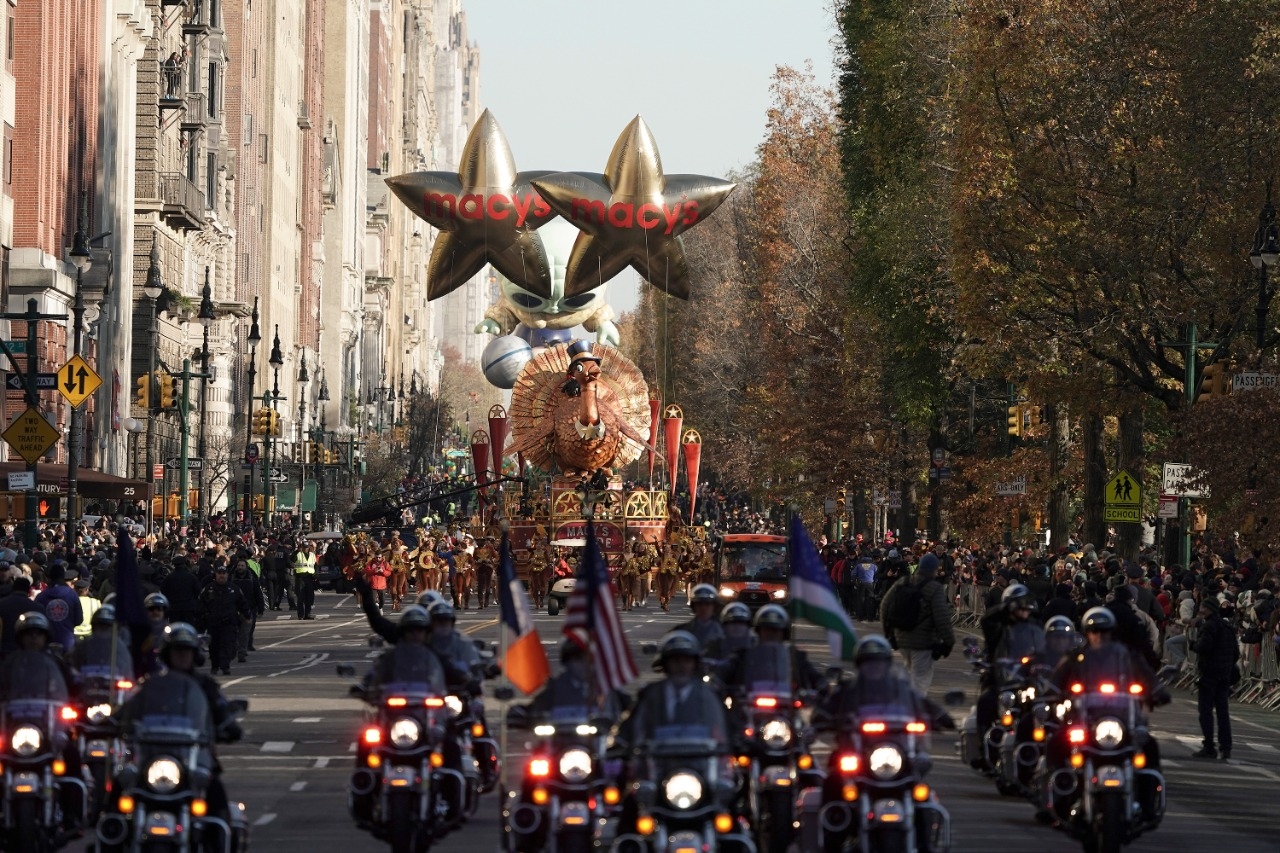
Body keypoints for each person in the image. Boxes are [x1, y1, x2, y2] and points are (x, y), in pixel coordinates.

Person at [119, 623, 243, 821]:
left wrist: (229, 726)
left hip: (192, 759)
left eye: (187, 650)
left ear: (195, 654)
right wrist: (116, 720)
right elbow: (128, 710)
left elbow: (221, 710)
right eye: (177, 650)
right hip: (152, 756)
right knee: (121, 784)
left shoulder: (205, 686)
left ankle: (219, 837)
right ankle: (108, 832)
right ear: (168, 653)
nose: (182, 655)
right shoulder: (150, 684)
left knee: (216, 794)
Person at [881, 551, 954, 694]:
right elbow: (942, 617)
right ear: (934, 569)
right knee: (920, 680)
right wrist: (948, 642)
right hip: (923, 641)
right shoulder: (934, 588)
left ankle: (905, 705)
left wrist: (889, 633)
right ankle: (914, 710)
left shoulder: (904, 582)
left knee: (909, 674)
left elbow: (885, 606)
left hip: (901, 637)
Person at [1190, 597, 1237, 759]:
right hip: (1224, 673)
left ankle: (1209, 745)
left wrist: (1193, 645)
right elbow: (1235, 651)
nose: (1201, 610)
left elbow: (1204, 647)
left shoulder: (1209, 626)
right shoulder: (1227, 626)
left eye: (1202, 607)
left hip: (1209, 672)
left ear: (1208, 609)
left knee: (1206, 711)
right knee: (1223, 711)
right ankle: (1226, 747)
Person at [200, 565, 250, 676]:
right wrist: (202, 618)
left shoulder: (233, 589)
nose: (221, 575)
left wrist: (247, 616)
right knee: (214, 647)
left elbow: (242, 603)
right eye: (219, 573)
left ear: (227, 575)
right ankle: (215, 666)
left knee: (229, 645)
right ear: (215, 575)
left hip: (229, 623)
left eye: (223, 573)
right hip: (213, 623)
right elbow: (201, 604)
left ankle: (225, 665)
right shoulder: (209, 589)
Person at [35, 560, 83, 650]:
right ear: (63, 576)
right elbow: (79, 620)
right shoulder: (72, 595)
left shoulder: (41, 597)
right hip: (67, 642)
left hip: (46, 643)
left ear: (49, 577)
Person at [0, 576, 43, 654]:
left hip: (5, 652)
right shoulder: (37, 608)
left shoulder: (2, 604)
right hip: (29, 652)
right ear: (28, 590)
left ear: (13, 588)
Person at [676, 583, 725, 650]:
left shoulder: (727, 631)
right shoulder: (681, 631)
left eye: (707, 604)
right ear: (693, 607)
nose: (703, 608)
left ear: (714, 606)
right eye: (699, 604)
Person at [292, 539, 317, 619]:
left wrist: (315, 574)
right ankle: (301, 615)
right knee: (300, 597)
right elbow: (292, 559)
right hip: (300, 578)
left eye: (307, 547)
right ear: (301, 547)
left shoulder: (312, 555)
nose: (306, 549)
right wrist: (297, 550)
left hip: (309, 578)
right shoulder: (298, 554)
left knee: (309, 597)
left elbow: (315, 565)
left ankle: (308, 614)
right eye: (304, 547)